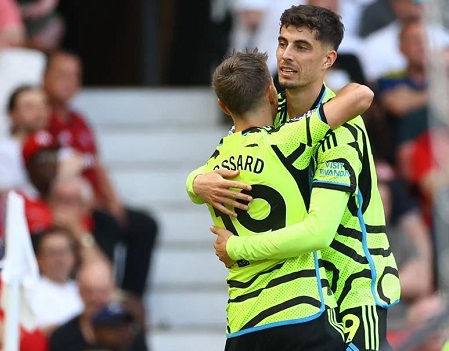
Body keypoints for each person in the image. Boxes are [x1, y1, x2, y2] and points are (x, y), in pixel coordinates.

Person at [186, 5, 401, 351]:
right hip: (303, 288)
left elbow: (320, 232)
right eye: (282, 42)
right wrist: (197, 182)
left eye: (301, 47)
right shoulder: (273, 111)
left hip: (352, 284)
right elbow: (229, 150)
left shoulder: (340, 132)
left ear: (329, 59)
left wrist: (237, 247)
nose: (286, 55)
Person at [43, 49, 159, 298]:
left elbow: (96, 165)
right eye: (62, 75)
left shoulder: (79, 121)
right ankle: (102, 295)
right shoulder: (42, 122)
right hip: (71, 206)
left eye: (75, 76)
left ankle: (130, 301)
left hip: (96, 203)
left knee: (144, 225)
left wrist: (114, 201)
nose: (70, 82)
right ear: (45, 78)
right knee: (105, 223)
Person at [49, 260, 148, 351]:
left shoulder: (129, 335)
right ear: (79, 292)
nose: (95, 298)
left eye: (101, 292)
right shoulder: (63, 336)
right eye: (89, 291)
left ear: (113, 290)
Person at [29, 227, 84, 337]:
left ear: (74, 257)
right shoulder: (29, 291)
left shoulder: (84, 290)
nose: (59, 259)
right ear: (39, 258)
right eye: (52, 253)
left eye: (63, 252)